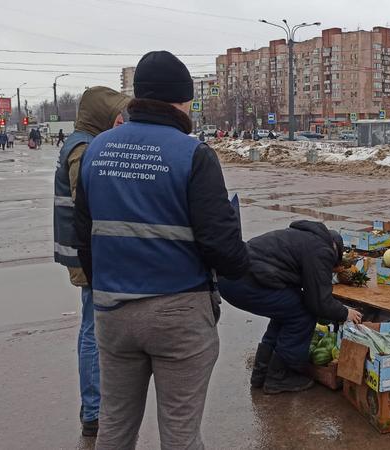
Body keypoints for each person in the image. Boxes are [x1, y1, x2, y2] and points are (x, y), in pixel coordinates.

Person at [74, 50, 249, 449]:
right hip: (179, 313)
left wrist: (106, 288)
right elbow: (222, 246)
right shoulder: (192, 153)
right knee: (180, 433)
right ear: (182, 101)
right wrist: (242, 265)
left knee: (115, 427)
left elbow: (84, 237)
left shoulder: (96, 151)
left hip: (113, 311)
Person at [53, 86, 131, 437]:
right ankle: (94, 410)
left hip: (84, 248)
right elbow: (86, 198)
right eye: (115, 114)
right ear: (101, 114)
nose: (119, 121)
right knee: (92, 328)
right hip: (86, 252)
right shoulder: (83, 148)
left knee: (94, 325)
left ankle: (96, 406)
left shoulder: (84, 142)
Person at [218, 220, 362, 394]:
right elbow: (318, 302)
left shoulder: (304, 238)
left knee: (287, 310)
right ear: (335, 251)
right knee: (303, 313)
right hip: (244, 281)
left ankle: (261, 373)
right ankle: (279, 377)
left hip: (230, 278)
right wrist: (345, 312)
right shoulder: (322, 250)